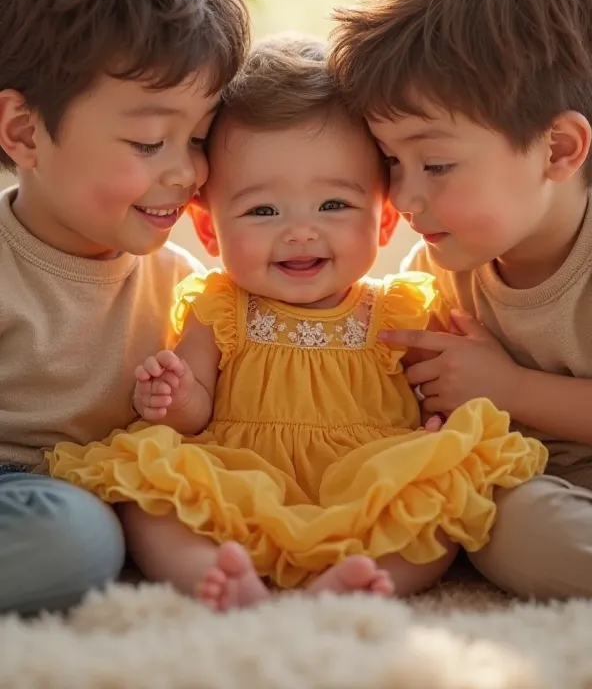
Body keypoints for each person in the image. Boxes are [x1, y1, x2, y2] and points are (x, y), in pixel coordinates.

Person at [49, 36, 546, 612]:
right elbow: (195, 410)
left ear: (384, 222)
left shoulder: (399, 309)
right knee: (150, 495)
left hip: (367, 476)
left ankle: (357, 580)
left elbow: (437, 390)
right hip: (241, 474)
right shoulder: (221, 307)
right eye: (263, 211)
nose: (301, 231)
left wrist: (440, 428)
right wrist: (173, 393)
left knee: (440, 495)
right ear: (210, 233)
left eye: (334, 205)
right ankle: (215, 577)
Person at [0, 0, 249, 614]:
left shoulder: (187, 290)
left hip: (113, 490)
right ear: (23, 133)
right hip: (28, 498)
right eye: (148, 142)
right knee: (76, 539)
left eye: (199, 138)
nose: (187, 171)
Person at [329, 0, 592, 600]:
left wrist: (510, 390)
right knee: (496, 522)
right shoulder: (438, 273)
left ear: (559, 151)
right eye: (390, 160)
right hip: (542, 491)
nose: (405, 196)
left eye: (436, 162)